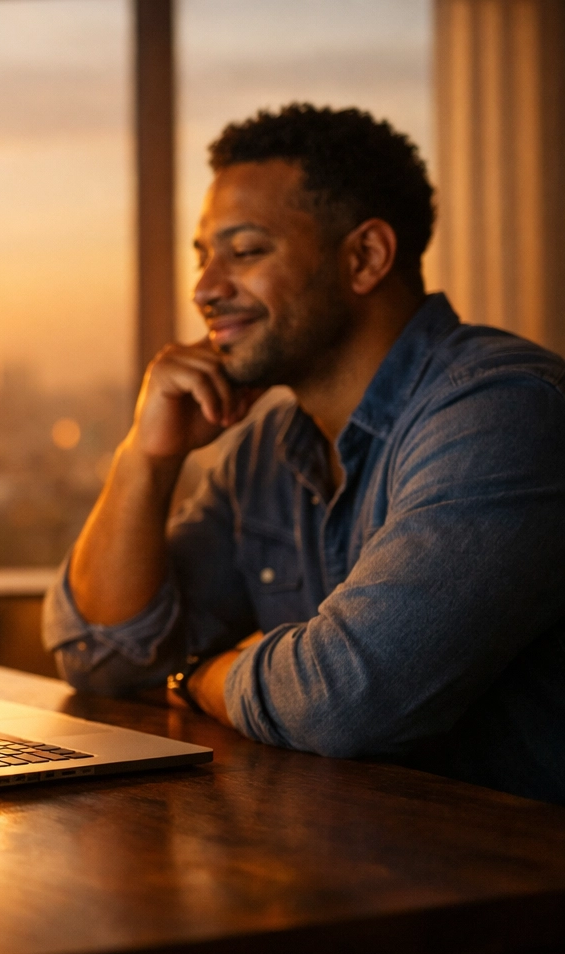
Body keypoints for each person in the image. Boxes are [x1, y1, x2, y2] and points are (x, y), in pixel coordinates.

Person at [42, 103, 565, 803]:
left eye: (246, 251)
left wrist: (198, 678)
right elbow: (104, 655)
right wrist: (147, 457)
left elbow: (345, 701)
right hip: (371, 869)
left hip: (521, 891)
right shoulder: (264, 447)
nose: (204, 289)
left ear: (365, 257)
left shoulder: (503, 411)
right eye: (203, 255)